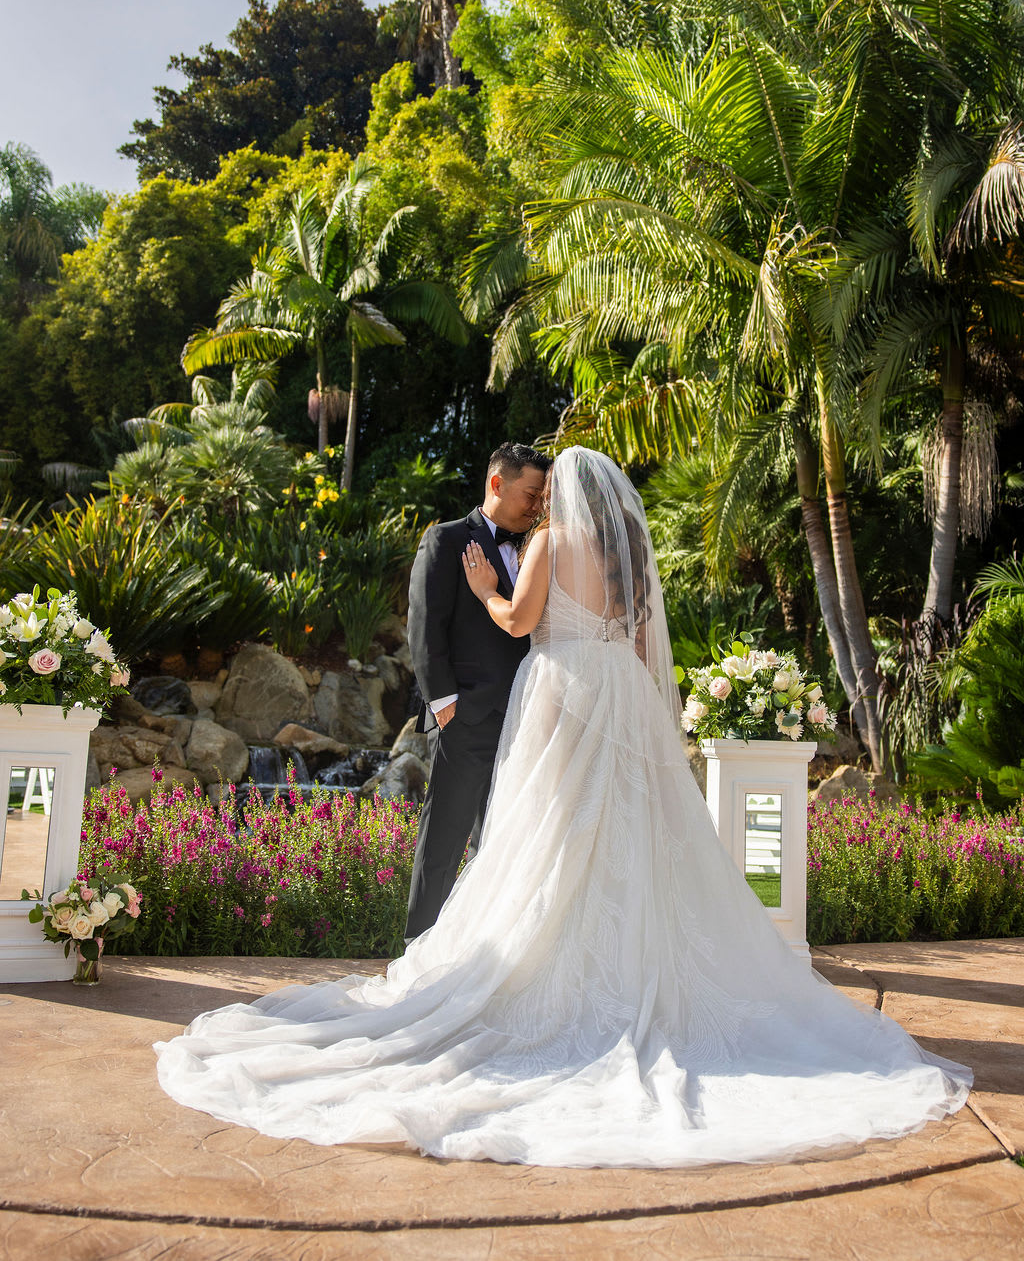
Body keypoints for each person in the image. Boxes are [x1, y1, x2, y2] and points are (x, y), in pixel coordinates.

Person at [155, 448, 971, 1168]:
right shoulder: (631, 561)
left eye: (551, 492)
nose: (544, 501)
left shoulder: (547, 543)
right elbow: (645, 648)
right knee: (630, 830)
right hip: (624, 696)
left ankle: (537, 959)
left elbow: (520, 620)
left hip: (562, 690)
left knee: (548, 830)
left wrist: (487, 589)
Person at [405, 441, 550, 941]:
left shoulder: (540, 546)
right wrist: (445, 703)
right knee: (444, 837)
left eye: (542, 497)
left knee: (504, 840)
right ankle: (418, 945)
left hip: (528, 717)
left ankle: (483, 952)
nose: (537, 505)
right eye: (530, 494)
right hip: (466, 716)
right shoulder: (445, 540)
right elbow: (425, 626)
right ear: (497, 483)